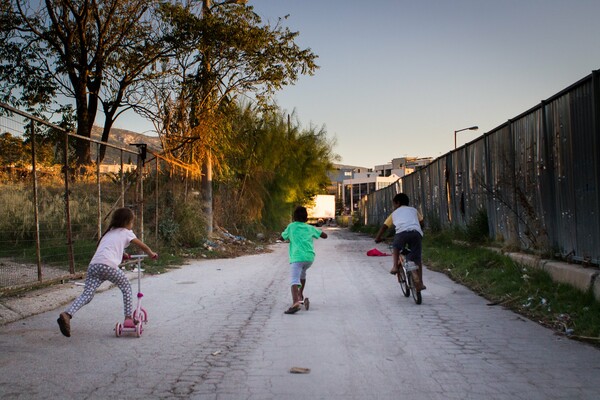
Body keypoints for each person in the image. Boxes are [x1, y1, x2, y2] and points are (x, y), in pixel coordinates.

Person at [57, 207, 157, 337]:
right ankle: (128, 318)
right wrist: (150, 253)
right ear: (127, 222)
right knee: (126, 286)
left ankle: (67, 314)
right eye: (132, 222)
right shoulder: (127, 232)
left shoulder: (109, 233)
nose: (132, 225)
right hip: (108, 266)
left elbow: (109, 249)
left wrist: (123, 254)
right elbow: (141, 245)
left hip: (94, 266)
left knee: (87, 294)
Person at [280, 206, 327, 314]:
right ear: (306, 218)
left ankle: (295, 302)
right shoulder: (309, 228)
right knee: (302, 274)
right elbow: (325, 236)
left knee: (294, 279)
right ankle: (300, 294)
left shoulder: (291, 226)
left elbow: (282, 237)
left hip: (297, 257)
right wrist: (316, 232)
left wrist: (280, 238)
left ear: (294, 217)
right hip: (309, 258)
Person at [374, 193, 425, 291]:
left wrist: (378, 238)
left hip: (401, 233)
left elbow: (384, 227)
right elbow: (422, 223)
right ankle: (420, 283)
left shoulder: (395, 213)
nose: (394, 207)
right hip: (416, 233)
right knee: (417, 259)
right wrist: (420, 231)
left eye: (394, 204)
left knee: (396, 246)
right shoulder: (413, 210)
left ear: (397, 203)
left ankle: (395, 267)